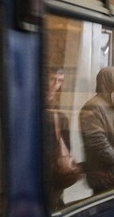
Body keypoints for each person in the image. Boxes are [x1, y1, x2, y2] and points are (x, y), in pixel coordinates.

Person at [45, 68, 81, 208]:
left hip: (53, 179)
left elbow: (66, 148)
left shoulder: (60, 117)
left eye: (59, 81)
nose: (55, 85)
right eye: (51, 79)